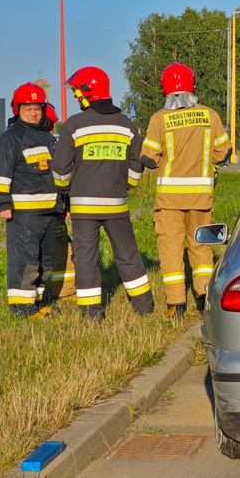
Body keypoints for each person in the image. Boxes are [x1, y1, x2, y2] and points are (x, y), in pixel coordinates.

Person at [52, 67, 153, 322]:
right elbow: (135, 165)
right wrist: (124, 186)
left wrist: (67, 191)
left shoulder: (74, 125)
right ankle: (144, 306)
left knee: (86, 258)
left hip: (83, 207)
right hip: (117, 205)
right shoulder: (126, 125)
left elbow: (60, 169)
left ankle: (91, 313)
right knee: (128, 253)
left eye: (77, 91)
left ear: (88, 91)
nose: (76, 96)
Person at [140, 62, 231, 319]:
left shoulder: (159, 119)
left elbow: (148, 158)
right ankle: (204, 297)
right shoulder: (210, 115)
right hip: (201, 197)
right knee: (201, 245)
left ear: (165, 89)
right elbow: (223, 152)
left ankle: (176, 305)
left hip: (169, 198)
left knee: (170, 247)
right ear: (192, 85)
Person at [0, 83, 64, 319]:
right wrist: (2, 203)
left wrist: (65, 204)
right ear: (17, 109)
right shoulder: (10, 138)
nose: (33, 113)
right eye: (28, 108)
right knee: (26, 260)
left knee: (46, 260)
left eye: (37, 108)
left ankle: (36, 301)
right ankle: (22, 309)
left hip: (51, 211)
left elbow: (58, 174)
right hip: (24, 213)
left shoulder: (48, 137)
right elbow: (0, 173)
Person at [42, 103, 77, 301]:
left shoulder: (18, 138)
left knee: (61, 246)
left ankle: (61, 290)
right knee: (61, 246)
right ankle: (64, 291)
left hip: (52, 206)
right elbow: (62, 175)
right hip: (53, 206)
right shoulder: (48, 142)